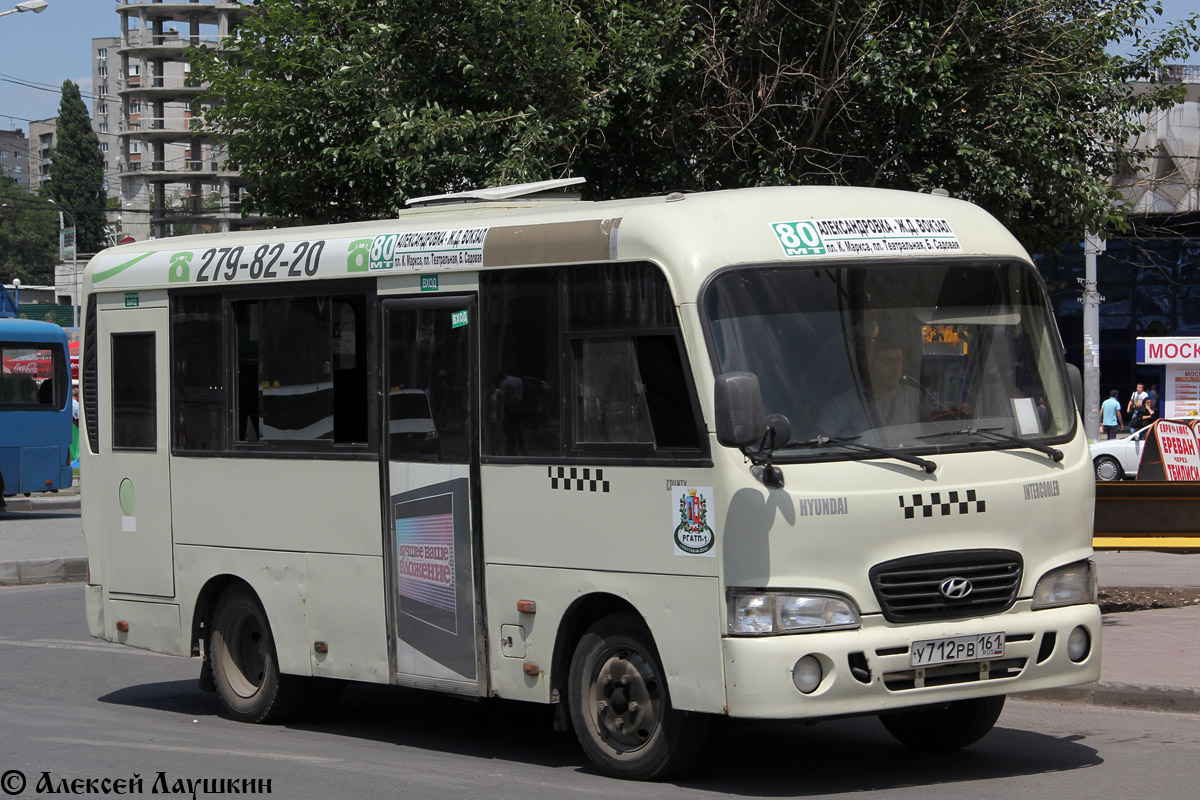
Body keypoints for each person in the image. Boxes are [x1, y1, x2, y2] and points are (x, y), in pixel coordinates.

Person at [816, 330, 920, 437]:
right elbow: (817, 445)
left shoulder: (913, 398)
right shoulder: (843, 405)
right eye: (887, 361)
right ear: (869, 364)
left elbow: (936, 427)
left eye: (899, 360)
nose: (896, 368)